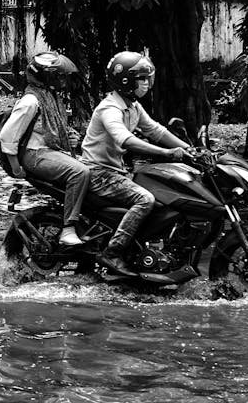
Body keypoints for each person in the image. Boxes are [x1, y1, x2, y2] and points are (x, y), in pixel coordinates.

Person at [79, 51, 193, 275]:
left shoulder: (132, 106)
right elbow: (126, 140)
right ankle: (112, 253)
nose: (147, 83)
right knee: (145, 199)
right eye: (142, 78)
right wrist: (168, 153)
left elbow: (156, 131)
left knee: (164, 197)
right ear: (126, 81)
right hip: (99, 173)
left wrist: (191, 150)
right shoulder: (109, 108)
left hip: (117, 172)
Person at [0, 52, 90, 247]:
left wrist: (70, 139)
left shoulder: (51, 98)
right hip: (34, 155)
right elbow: (7, 136)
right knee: (80, 172)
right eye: (57, 76)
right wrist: (16, 169)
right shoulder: (31, 101)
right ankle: (68, 229)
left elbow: (54, 131)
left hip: (49, 151)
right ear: (45, 76)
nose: (61, 80)